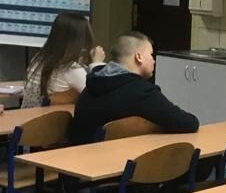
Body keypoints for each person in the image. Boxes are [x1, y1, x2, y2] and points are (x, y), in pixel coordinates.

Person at [69, 31, 199, 145]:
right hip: (119, 163)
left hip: (77, 160)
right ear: (139, 57)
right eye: (151, 54)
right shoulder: (142, 92)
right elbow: (189, 123)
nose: (153, 60)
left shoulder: (91, 84)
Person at [21, 12, 105, 108]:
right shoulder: (72, 69)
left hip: (27, 115)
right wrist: (97, 64)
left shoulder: (40, 58)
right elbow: (101, 97)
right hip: (50, 117)